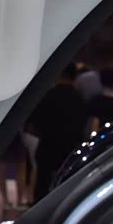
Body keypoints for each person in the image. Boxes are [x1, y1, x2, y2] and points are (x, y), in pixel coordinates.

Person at [30, 63, 88, 201]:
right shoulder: (79, 97)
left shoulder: (49, 94)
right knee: (66, 182)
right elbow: (83, 122)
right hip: (70, 146)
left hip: (48, 143)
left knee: (43, 180)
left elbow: (36, 119)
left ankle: (39, 208)